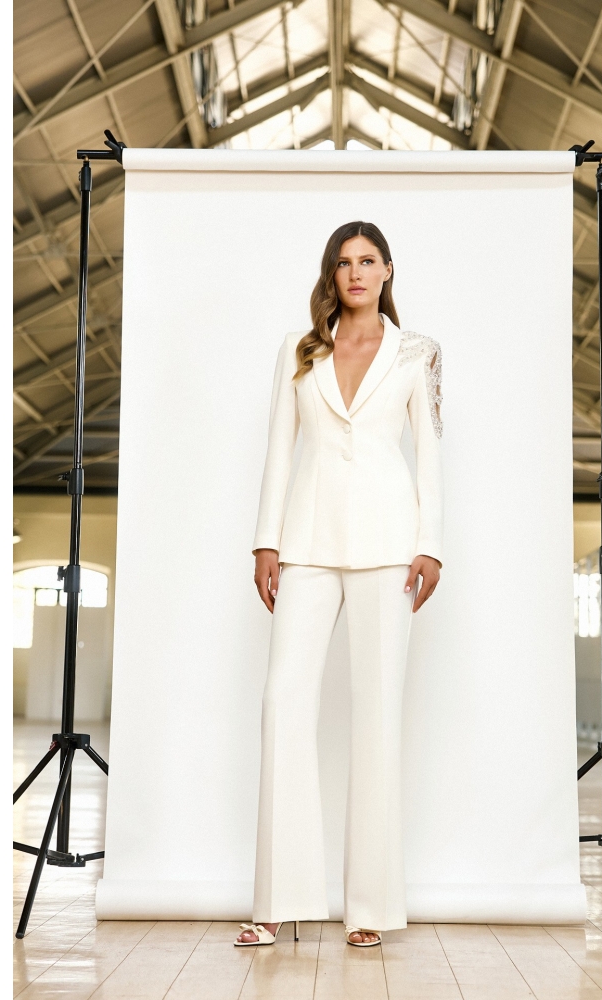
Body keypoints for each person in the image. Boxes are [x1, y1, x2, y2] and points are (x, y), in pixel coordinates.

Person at [235, 221, 443, 949]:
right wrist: (266, 540)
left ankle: (370, 909)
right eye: (343, 262)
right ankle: (277, 902)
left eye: (367, 260)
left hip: (392, 547)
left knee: (377, 714)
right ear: (333, 274)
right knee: (282, 703)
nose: (355, 272)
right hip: (306, 542)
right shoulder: (301, 351)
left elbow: (431, 453)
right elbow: (279, 448)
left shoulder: (418, 353)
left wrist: (431, 546)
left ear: (387, 270)